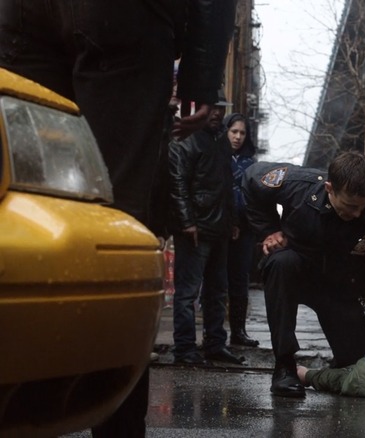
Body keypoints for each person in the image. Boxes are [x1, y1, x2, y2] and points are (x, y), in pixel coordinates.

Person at [0, 1, 237, 435]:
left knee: (17, 200)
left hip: (21, 14)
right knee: (118, 215)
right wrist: (202, 77)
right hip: (122, 16)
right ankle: (116, 428)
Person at [242, 151, 365, 398]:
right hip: (297, 273)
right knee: (280, 263)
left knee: (360, 366)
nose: (357, 214)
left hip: (340, 290)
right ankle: (284, 366)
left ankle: (341, 361)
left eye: (362, 206)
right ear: (330, 189)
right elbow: (251, 177)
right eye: (349, 206)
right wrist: (269, 230)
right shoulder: (300, 186)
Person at [169, 98, 246, 367]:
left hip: (219, 227)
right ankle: (185, 349)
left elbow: (228, 185)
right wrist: (187, 222)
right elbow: (177, 182)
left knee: (217, 292)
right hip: (196, 229)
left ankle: (215, 344)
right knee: (188, 292)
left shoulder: (221, 141)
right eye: (212, 106)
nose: (216, 112)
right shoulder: (186, 138)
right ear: (198, 108)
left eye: (221, 107)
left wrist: (232, 221)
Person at [224, 113, 260, 347]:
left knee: (240, 280)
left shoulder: (251, 164)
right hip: (221, 226)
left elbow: (254, 198)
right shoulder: (217, 157)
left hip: (245, 230)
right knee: (216, 281)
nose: (237, 137)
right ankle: (214, 332)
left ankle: (239, 331)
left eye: (242, 132)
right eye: (234, 131)